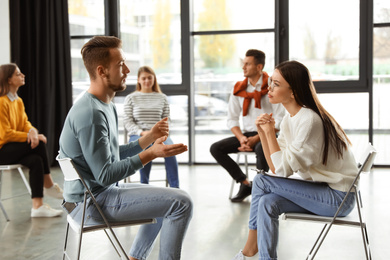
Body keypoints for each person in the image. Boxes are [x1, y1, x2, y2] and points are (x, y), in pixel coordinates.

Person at [58, 36, 193, 260]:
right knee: (181, 202)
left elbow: (108, 155)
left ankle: (135, 258)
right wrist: (150, 153)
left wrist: (148, 138)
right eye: (121, 65)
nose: (128, 70)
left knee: (169, 198)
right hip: (90, 204)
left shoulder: (104, 105)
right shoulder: (91, 114)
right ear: (102, 71)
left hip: (97, 195)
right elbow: (105, 174)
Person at [231, 60, 358, 260]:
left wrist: (270, 133)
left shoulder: (309, 120)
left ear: (293, 92)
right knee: (267, 201)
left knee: (261, 181)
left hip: (338, 199)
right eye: (270, 82)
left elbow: (281, 171)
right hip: (325, 191)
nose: (269, 88)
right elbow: (275, 167)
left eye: (276, 84)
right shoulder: (291, 118)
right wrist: (264, 133)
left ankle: (249, 249)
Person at [210, 49, 285, 202]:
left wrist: (257, 138)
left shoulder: (272, 86)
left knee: (261, 148)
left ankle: (261, 188)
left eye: (247, 64)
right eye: (243, 64)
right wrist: (242, 139)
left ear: (259, 67)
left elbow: (280, 119)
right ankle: (245, 183)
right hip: (247, 134)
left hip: (269, 134)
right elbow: (232, 119)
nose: (243, 67)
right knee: (216, 148)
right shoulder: (239, 88)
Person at [0, 63, 63, 218]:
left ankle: (37, 206)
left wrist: (32, 131)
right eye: (18, 74)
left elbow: (24, 124)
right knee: (39, 144)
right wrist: (32, 136)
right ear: (9, 80)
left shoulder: (18, 101)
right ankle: (48, 184)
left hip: (14, 148)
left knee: (35, 160)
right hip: (2, 150)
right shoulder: (1, 102)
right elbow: (5, 134)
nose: (23, 76)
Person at [124, 66, 179, 188]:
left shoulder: (162, 97)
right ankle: (144, 185)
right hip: (138, 135)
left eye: (150, 78)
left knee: (170, 150)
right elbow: (128, 121)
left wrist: (159, 132)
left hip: (159, 135)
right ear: (138, 80)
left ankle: (175, 188)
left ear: (154, 79)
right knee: (145, 147)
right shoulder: (131, 98)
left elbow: (167, 119)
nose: (147, 81)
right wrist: (143, 133)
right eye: (143, 78)